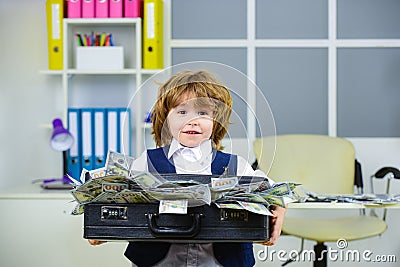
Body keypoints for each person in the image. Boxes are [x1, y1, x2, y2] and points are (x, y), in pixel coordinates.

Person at [89, 69, 286, 267]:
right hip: (157, 262)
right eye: (182, 112)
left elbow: (271, 189)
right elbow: (118, 198)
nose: (192, 120)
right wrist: (102, 226)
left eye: (203, 113)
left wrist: (280, 207)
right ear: (166, 119)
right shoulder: (145, 163)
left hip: (219, 262)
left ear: (215, 119)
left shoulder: (236, 166)